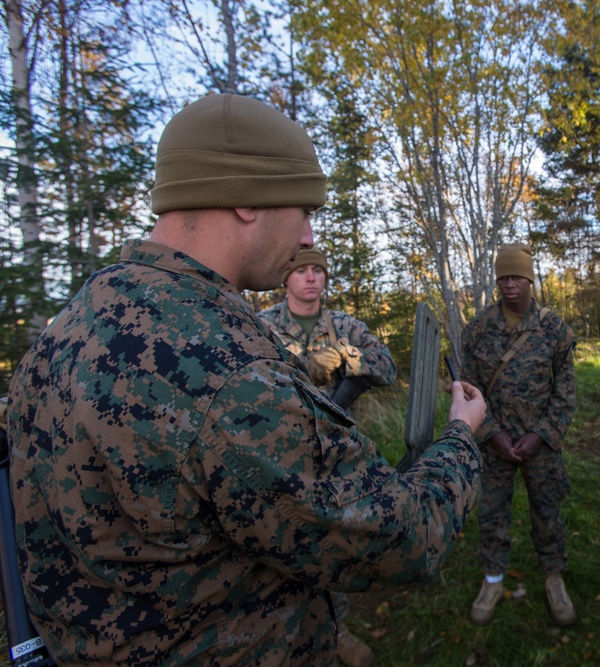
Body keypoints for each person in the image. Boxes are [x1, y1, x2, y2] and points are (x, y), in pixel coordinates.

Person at [4, 93, 486, 667]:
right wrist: (459, 436)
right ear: (246, 199)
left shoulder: (67, 330)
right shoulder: (232, 374)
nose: (309, 236)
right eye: (305, 209)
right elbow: (401, 538)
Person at [258, 248, 395, 667]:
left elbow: (386, 367)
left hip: (335, 458)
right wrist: (304, 365)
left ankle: (338, 631)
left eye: (318, 270)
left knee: (331, 545)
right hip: (275, 456)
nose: (311, 278)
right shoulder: (262, 324)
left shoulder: (345, 326)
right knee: (275, 546)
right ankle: (277, 634)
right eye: (302, 270)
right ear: (287, 277)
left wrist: (348, 358)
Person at [459, 243, 577, 627]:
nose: (510, 285)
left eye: (517, 277)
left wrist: (541, 435)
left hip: (538, 445)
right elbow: (467, 386)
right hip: (495, 445)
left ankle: (554, 577)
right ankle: (492, 579)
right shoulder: (478, 329)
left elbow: (566, 391)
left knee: (548, 512)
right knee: (492, 513)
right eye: (503, 278)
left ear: (530, 279)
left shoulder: (553, 328)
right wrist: (491, 434)